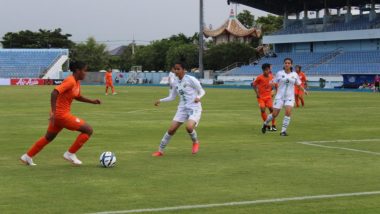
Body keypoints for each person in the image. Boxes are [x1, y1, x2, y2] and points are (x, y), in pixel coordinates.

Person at [20, 61, 102, 166]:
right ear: (77, 71)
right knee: (88, 130)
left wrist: (92, 101)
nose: (85, 73)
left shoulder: (76, 82)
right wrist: (54, 112)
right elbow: (54, 92)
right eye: (84, 70)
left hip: (59, 115)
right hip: (61, 115)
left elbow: (77, 96)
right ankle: (70, 154)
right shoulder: (70, 81)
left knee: (49, 137)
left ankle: (27, 156)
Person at [152, 62, 206, 156]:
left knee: (189, 127)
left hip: (194, 107)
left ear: (183, 70)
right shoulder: (175, 82)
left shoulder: (191, 79)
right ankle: (160, 151)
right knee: (171, 130)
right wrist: (160, 100)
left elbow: (202, 91)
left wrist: (199, 97)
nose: (176, 71)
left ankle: (195, 142)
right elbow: (172, 97)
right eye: (175, 69)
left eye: (178, 69)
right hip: (182, 108)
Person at [261, 58, 308, 136]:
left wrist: (304, 90)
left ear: (291, 65)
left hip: (290, 97)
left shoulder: (294, 74)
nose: (287, 64)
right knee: (274, 114)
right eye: (286, 63)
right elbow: (273, 82)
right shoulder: (279, 73)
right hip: (279, 97)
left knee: (288, 112)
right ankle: (265, 123)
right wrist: (272, 89)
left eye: (289, 63)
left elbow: (299, 84)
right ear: (284, 64)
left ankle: (283, 131)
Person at [252, 63, 276, 131]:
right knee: (262, 109)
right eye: (265, 70)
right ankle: (266, 124)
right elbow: (254, 85)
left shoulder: (271, 77)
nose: (266, 71)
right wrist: (257, 93)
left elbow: (274, 85)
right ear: (263, 70)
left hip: (268, 97)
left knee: (272, 110)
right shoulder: (259, 77)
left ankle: (273, 125)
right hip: (261, 97)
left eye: (267, 70)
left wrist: (273, 91)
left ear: (269, 70)